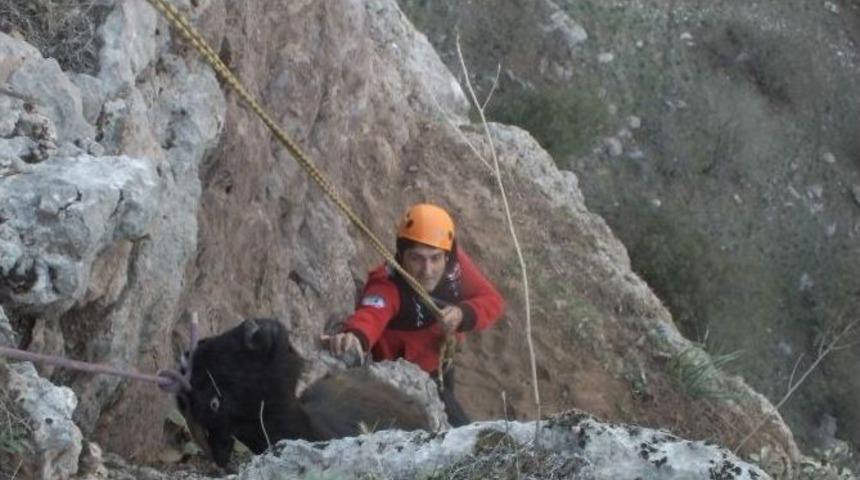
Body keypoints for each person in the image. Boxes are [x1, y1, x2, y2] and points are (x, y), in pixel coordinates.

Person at [321, 203, 504, 426]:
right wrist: (355, 336)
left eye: (435, 258)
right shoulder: (389, 284)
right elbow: (372, 314)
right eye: (417, 258)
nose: (427, 270)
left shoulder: (455, 268)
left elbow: (491, 301)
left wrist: (462, 314)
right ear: (401, 256)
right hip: (404, 385)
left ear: (447, 256)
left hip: (441, 363)